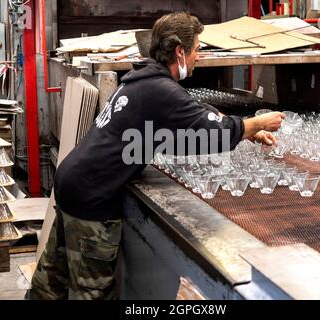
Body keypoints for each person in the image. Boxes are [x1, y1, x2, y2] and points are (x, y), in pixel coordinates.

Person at [29, 12, 284, 300]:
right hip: (92, 195)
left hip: (73, 180)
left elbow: (196, 111)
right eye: (197, 49)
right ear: (180, 52)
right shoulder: (159, 89)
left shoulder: (143, 79)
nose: (199, 56)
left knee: (52, 281)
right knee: (92, 291)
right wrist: (259, 123)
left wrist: (247, 131)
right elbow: (215, 132)